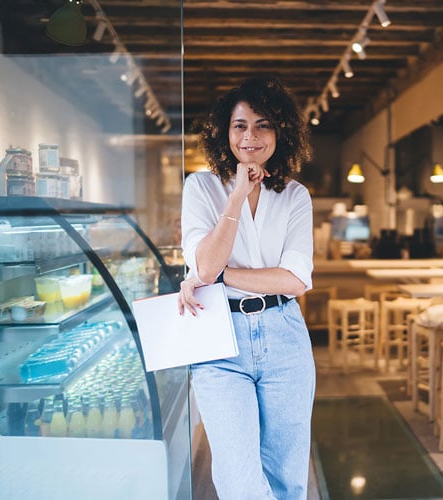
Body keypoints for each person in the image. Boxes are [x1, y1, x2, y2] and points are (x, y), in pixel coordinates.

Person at [178, 76, 315, 500]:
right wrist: (236, 196)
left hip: (284, 335)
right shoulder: (201, 187)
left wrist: (217, 275)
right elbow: (204, 261)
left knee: (287, 479)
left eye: (263, 124)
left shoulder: (295, 196)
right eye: (240, 125)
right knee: (238, 481)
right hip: (220, 340)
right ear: (225, 131)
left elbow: (294, 280)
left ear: (281, 133)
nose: (250, 136)